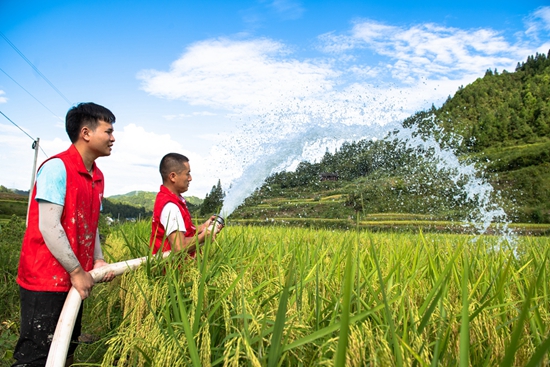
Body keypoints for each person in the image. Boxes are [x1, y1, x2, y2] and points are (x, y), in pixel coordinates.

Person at [12, 102, 116, 367]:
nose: (113, 138)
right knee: (37, 355)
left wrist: (98, 261)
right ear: (86, 133)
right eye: (108, 131)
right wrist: (76, 270)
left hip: (74, 277)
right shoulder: (57, 168)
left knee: (66, 349)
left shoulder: (97, 176)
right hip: (45, 280)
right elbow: (49, 226)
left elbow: (91, 225)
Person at [150, 153, 222, 256]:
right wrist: (204, 236)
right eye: (187, 173)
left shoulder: (172, 199)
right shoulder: (170, 206)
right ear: (173, 176)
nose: (190, 178)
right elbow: (179, 247)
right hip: (173, 270)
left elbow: (183, 234)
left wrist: (202, 228)